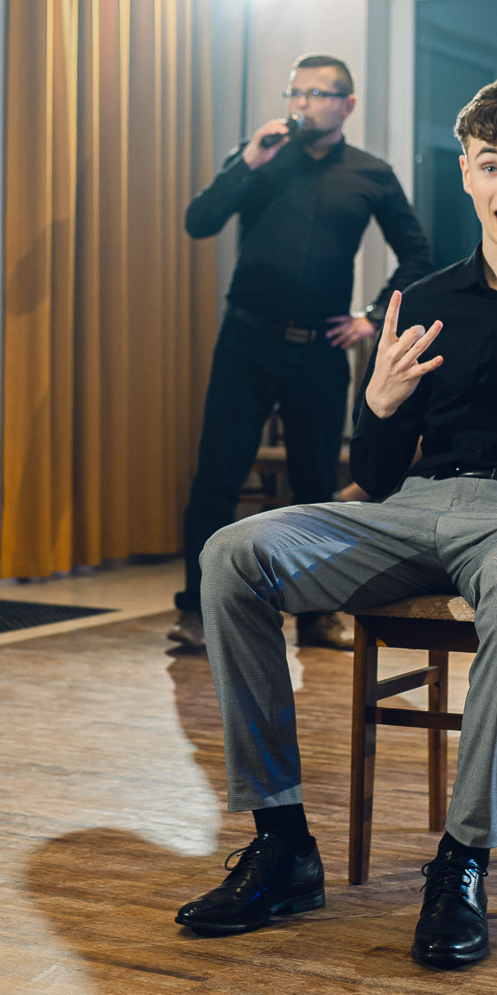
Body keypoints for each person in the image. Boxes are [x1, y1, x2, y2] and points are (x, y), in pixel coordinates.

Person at [177, 79, 497, 968]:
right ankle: (283, 843)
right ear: (467, 175)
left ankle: (462, 861)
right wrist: (376, 406)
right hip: (412, 508)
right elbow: (374, 475)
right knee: (232, 553)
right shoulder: (428, 298)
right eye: (493, 166)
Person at [171, 54, 433, 653]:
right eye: (296, 92)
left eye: (317, 93)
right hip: (246, 341)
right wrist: (247, 162)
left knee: (316, 485)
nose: (302, 104)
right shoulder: (259, 158)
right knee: (217, 476)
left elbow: (418, 256)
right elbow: (199, 221)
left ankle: (316, 615)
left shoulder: (371, 174)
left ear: (347, 105)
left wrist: (371, 317)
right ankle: (196, 611)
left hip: (318, 350)